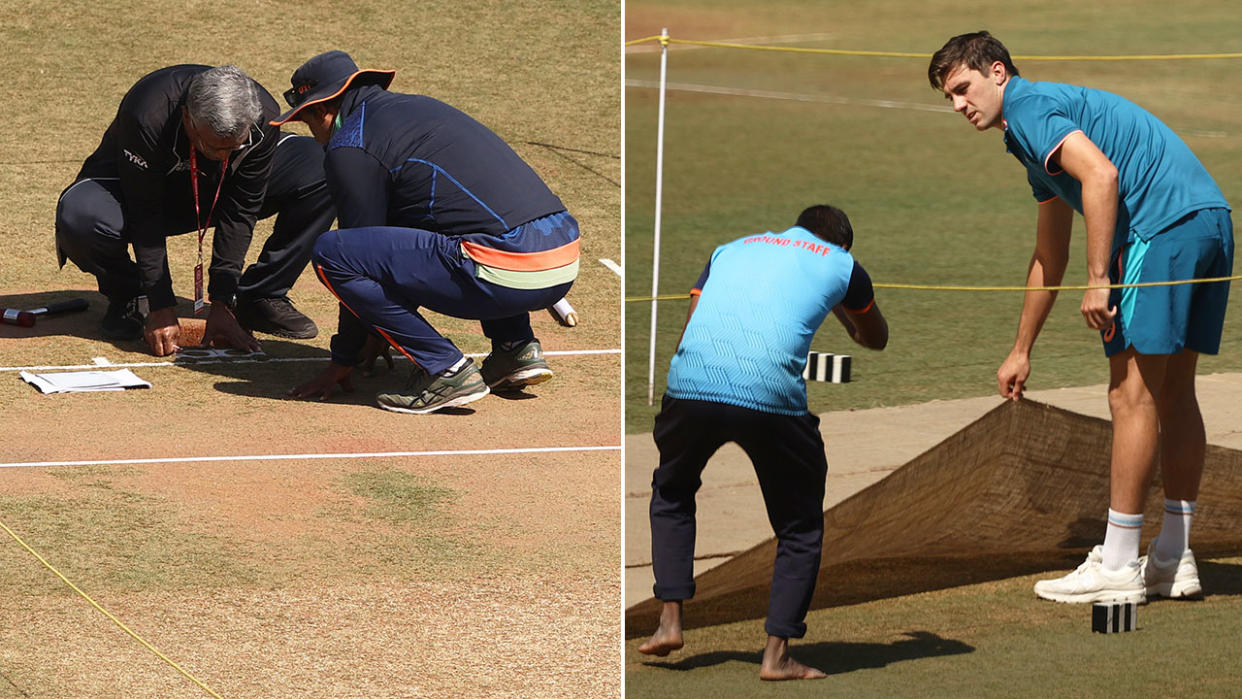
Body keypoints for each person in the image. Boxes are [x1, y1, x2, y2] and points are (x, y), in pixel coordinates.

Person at [928, 31, 1233, 603]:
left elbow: (1102, 176)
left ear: (998, 72)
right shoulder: (1030, 139)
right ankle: (1173, 556)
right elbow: (1050, 252)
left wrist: (1100, 279)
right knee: (1174, 393)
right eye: (949, 97)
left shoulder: (1029, 109)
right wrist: (1022, 349)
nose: (958, 106)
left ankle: (1118, 565)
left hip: (1162, 229)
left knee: (1130, 396)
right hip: (1210, 220)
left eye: (963, 89)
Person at [639, 205, 889, 680]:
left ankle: (669, 622)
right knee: (800, 527)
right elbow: (874, 337)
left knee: (672, 494)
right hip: (768, 393)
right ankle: (776, 656)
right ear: (840, 244)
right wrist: (837, 304)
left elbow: (690, 328)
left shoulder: (730, 250)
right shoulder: (843, 266)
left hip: (689, 382)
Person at [276, 51, 579, 414]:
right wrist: (378, 330)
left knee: (332, 252)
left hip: (505, 270)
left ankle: (446, 369)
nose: (317, 139)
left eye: (307, 123)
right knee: (449, 220)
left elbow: (358, 255)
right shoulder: (420, 109)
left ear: (322, 109)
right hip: (562, 260)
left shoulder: (350, 148)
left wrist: (346, 356)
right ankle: (515, 349)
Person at [56, 64, 336, 356]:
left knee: (324, 168)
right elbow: (145, 212)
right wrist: (160, 302)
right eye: (213, 147)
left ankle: (259, 297)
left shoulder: (263, 117)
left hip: (211, 190)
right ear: (187, 117)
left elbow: (240, 212)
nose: (222, 156)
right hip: (136, 190)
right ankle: (132, 295)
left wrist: (222, 301)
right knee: (81, 216)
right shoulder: (148, 112)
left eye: (234, 148)